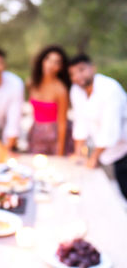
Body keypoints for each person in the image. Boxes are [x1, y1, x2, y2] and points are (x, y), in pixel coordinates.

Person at [68, 54, 127, 199]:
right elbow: (80, 122)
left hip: (123, 148)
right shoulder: (76, 91)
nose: (77, 76)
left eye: (81, 70)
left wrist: (94, 157)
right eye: (73, 74)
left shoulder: (109, 89)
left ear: (92, 68)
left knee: (123, 190)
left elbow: (110, 129)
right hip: (105, 150)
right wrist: (78, 153)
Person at [27, 45, 73, 155]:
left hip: (55, 134)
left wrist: (60, 152)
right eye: (48, 59)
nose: (51, 65)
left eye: (56, 62)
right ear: (42, 60)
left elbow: (62, 122)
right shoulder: (31, 83)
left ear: (61, 67)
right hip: (36, 132)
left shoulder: (61, 90)